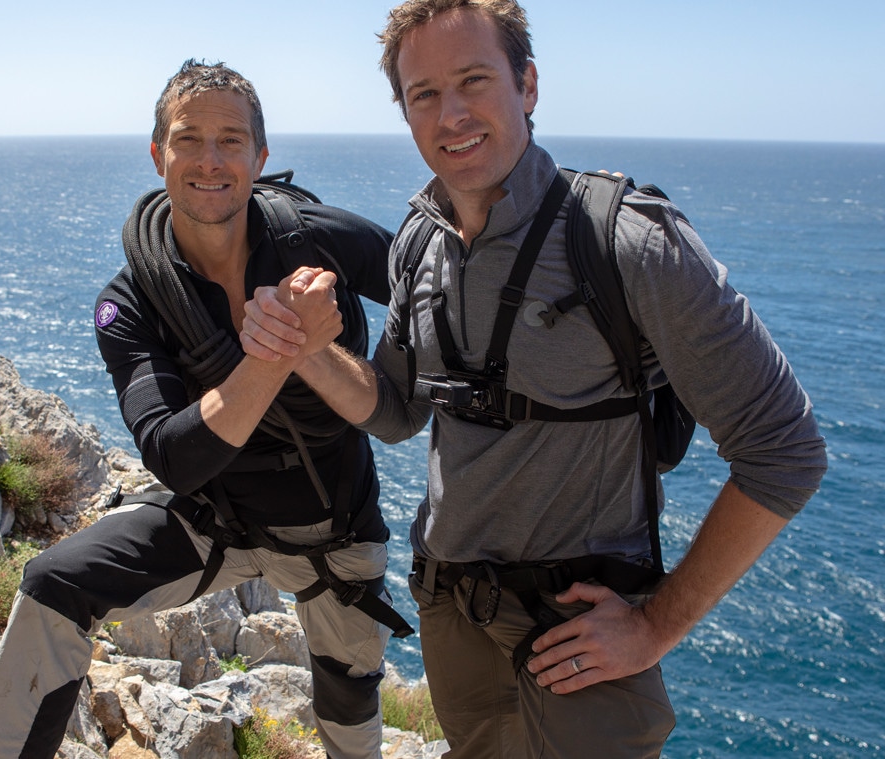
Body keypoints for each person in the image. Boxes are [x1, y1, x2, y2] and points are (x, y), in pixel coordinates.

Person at [239, 1, 829, 757]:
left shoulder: (627, 241)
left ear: (528, 85)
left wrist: (655, 626)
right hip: (453, 615)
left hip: (577, 631)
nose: (451, 115)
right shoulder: (419, 240)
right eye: (424, 94)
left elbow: (786, 451)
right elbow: (396, 412)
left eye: (473, 80)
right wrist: (305, 350)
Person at [0, 59, 406, 759]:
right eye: (188, 138)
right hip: (214, 519)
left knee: (350, 702)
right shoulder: (132, 300)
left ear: (260, 156)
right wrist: (277, 351)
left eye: (231, 140)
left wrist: (361, 360)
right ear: (157, 153)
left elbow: (432, 288)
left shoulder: (313, 238)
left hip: (334, 529)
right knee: (53, 585)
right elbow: (173, 455)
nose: (210, 160)